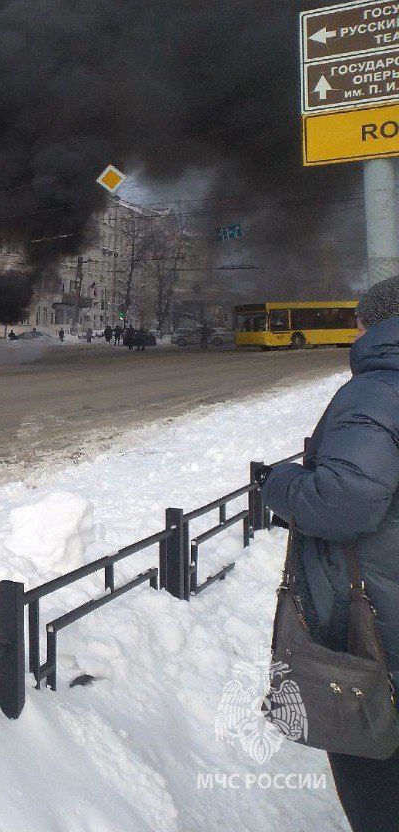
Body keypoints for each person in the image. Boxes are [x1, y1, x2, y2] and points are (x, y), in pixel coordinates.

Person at [260, 275, 399, 832]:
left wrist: (280, 483)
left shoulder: (378, 389)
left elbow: (346, 501)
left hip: (382, 625)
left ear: (375, 323)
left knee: (373, 765)